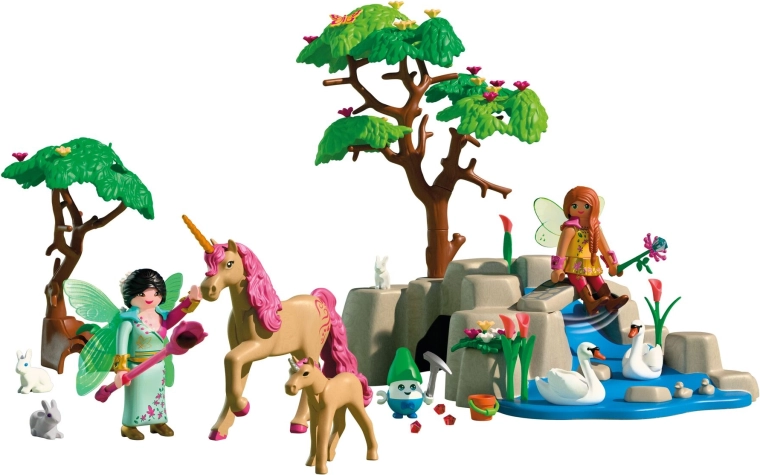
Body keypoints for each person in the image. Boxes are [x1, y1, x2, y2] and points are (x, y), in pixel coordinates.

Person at [114, 269, 200, 440]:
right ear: (131, 294)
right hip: (136, 367)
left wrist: (191, 301)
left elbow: (178, 314)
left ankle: (158, 422)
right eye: (141, 293)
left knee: (157, 396)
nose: (149, 298)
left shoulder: (162, 317)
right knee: (137, 397)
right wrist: (121, 369)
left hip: (158, 366)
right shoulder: (128, 321)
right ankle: (129, 425)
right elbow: (121, 345)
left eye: (155, 293)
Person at [550, 186, 629, 314]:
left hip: (591, 264)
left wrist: (612, 264)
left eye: (586, 206)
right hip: (574, 265)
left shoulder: (595, 228)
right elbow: (561, 250)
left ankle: (610, 301)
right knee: (580, 279)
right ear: (568, 208)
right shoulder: (570, 228)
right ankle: (589, 302)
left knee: (597, 279)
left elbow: (605, 249)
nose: (580, 209)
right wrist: (557, 268)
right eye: (575, 206)